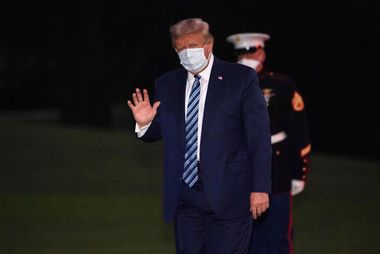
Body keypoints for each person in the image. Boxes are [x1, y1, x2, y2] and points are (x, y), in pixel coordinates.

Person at [127, 18, 272, 254]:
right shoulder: (167, 83)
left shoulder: (241, 79)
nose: (187, 53)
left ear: (209, 45)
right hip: (186, 196)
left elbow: (259, 138)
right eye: (180, 48)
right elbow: (163, 131)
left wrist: (260, 187)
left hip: (231, 194)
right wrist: (145, 124)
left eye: (192, 45)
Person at [226, 33, 312, 254]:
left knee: (277, 235)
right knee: (244, 237)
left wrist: (299, 172)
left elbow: (297, 129)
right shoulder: (225, 85)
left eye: (251, 52)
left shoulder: (280, 84)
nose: (246, 57)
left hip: (278, 167)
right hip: (240, 169)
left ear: (261, 52)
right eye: (241, 54)